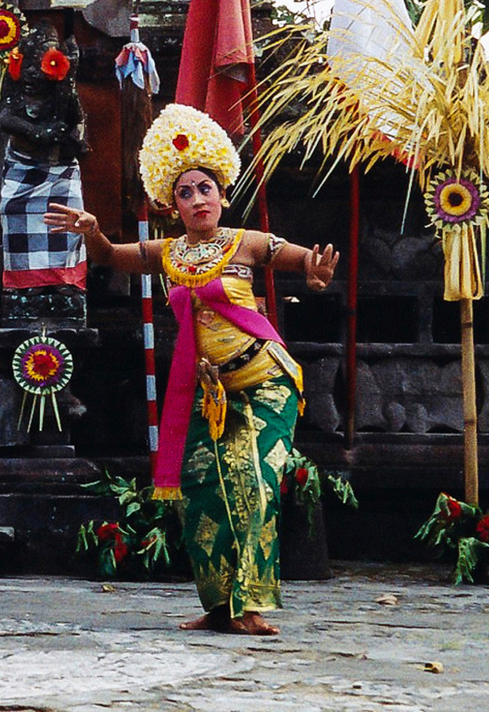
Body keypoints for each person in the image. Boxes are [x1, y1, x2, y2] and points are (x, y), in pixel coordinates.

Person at [46, 103, 337, 636]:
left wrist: (314, 269)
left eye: (205, 188)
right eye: (185, 192)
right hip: (208, 394)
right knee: (201, 495)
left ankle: (250, 604)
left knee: (256, 483)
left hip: (265, 382)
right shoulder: (168, 252)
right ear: (172, 204)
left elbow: (295, 258)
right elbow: (110, 255)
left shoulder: (244, 241)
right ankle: (219, 605)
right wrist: (91, 229)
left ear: (222, 193)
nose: (198, 199)